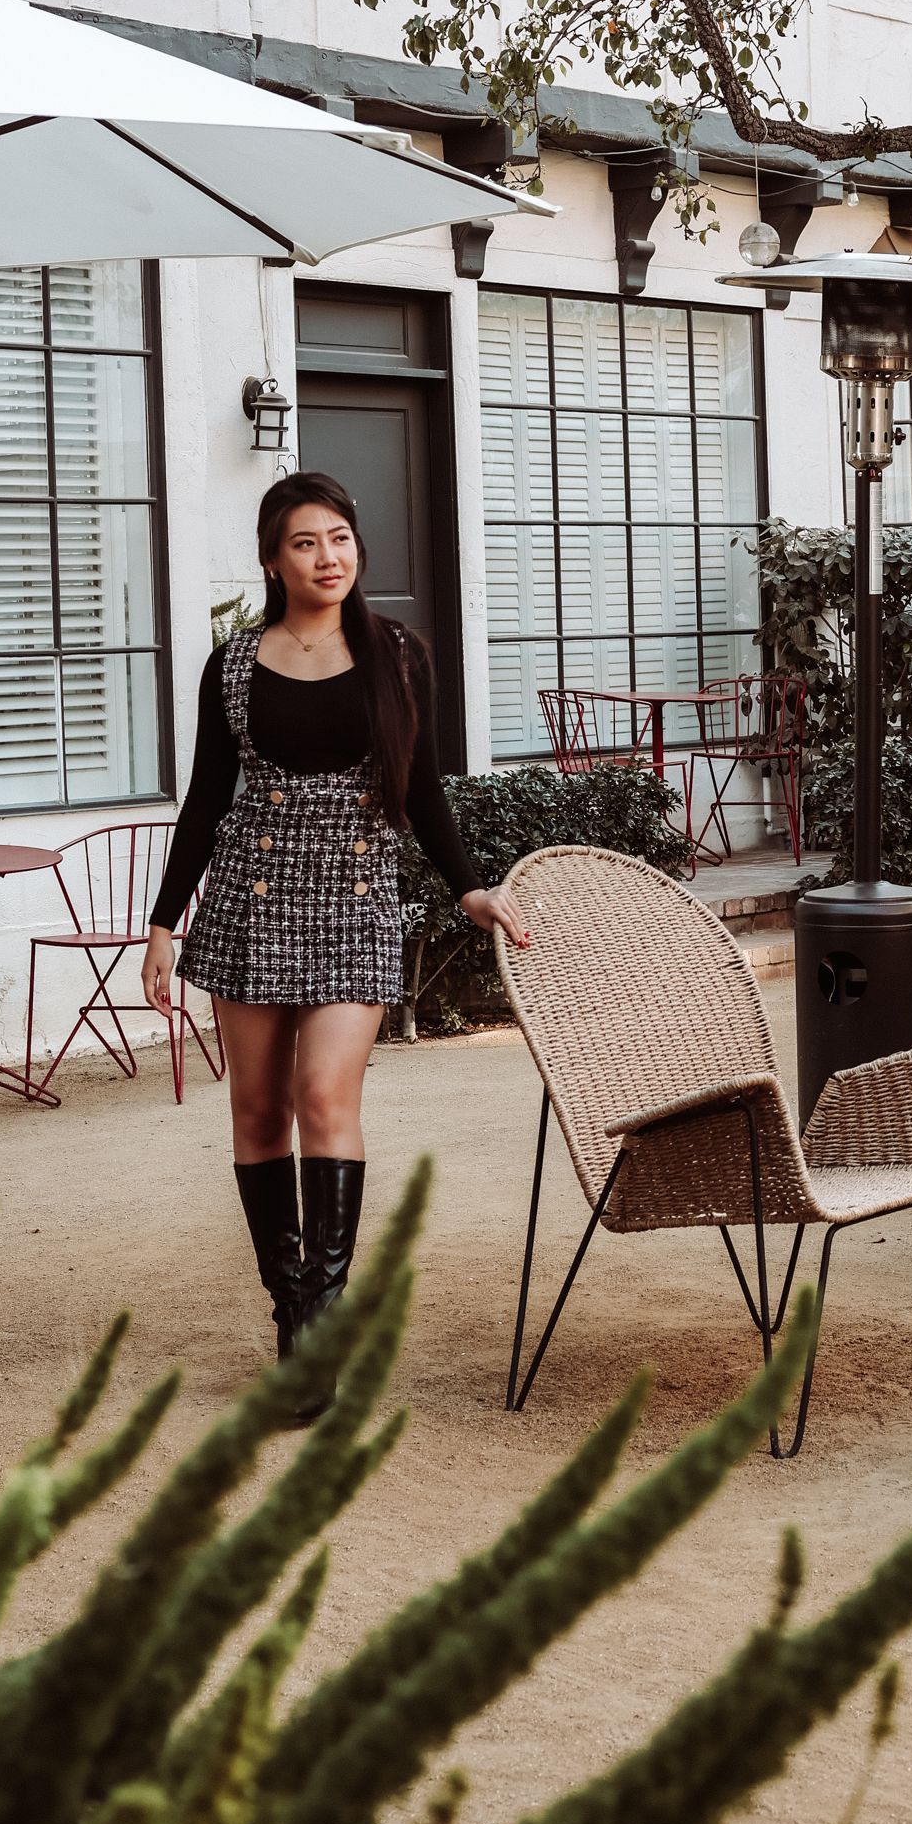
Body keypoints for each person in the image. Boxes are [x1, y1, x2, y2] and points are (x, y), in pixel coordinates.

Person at [144, 471, 529, 1415]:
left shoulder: (399, 656)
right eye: (307, 543)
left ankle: (324, 1317)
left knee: (325, 1094)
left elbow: (424, 789)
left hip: (356, 896)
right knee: (257, 1113)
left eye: (342, 539)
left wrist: (471, 886)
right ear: (275, 560)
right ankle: (293, 1318)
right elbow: (205, 801)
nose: (330, 558)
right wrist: (164, 922)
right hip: (250, 895)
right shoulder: (232, 665)